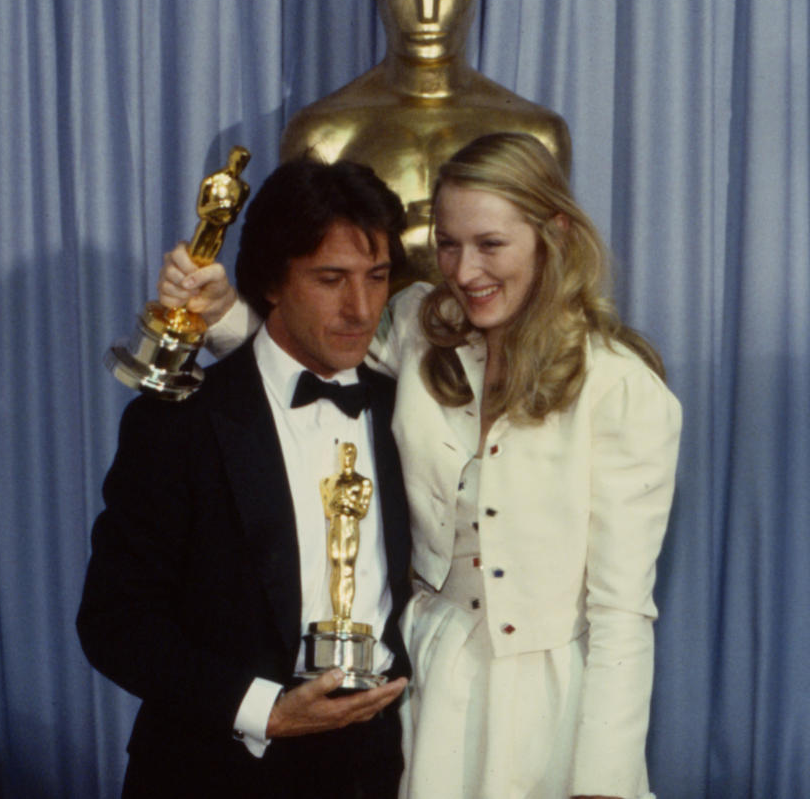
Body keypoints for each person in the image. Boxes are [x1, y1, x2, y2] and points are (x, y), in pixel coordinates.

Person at [159, 133, 682, 799]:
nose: (464, 272)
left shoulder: (622, 390)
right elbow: (311, 375)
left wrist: (601, 784)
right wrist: (220, 309)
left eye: (490, 244)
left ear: (553, 233)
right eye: (448, 244)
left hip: (547, 706)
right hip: (419, 685)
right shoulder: (416, 323)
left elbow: (621, 613)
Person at [77, 158, 414, 799]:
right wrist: (268, 711)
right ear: (270, 283)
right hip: (212, 769)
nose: (361, 308)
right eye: (330, 279)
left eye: (377, 278)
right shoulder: (179, 421)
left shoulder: (407, 409)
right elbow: (115, 623)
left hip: (374, 771)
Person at [281, 0, 571, 283]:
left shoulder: (535, 133)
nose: (428, 13)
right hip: (365, 333)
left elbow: (552, 276)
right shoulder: (322, 134)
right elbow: (306, 282)